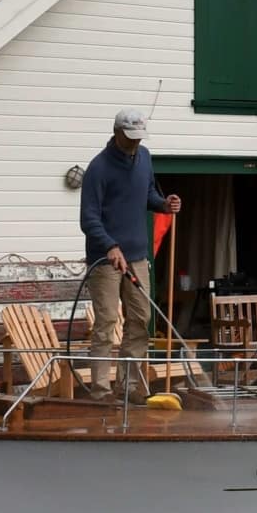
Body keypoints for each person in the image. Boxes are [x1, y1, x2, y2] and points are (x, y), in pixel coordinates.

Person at [77, 107, 184, 399]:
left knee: (139, 320)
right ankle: (100, 391)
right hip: (105, 260)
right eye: (130, 137)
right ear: (116, 133)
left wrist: (164, 204)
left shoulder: (145, 158)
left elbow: (146, 194)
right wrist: (110, 246)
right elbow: (88, 219)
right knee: (107, 322)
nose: (135, 143)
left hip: (137, 256)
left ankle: (129, 387)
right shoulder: (98, 168)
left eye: (139, 137)